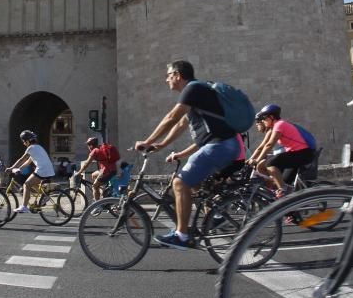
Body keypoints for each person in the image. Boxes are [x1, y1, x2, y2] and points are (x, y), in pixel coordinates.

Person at [134, 60, 240, 250]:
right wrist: (161, 145)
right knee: (195, 184)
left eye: (168, 75)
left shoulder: (192, 89)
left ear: (177, 75)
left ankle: (182, 236)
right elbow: (182, 123)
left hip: (219, 145)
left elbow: (171, 117)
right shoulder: (198, 92)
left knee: (179, 182)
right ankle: (215, 215)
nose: (166, 80)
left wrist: (147, 141)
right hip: (221, 145)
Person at [247, 104, 316, 197]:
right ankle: (288, 201)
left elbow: (269, 144)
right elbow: (263, 146)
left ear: (271, 117)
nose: (263, 121)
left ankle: (283, 191)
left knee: (270, 163)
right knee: (283, 179)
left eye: (264, 118)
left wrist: (257, 160)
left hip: (303, 153)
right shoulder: (278, 125)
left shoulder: (279, 125)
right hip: (297, 154)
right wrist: (255, 160)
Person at [6, 130, 55, 214]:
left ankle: (24, 207)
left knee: (26, 184)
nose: (23, 143)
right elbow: (28, 162)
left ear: (28, 141)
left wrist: (11, 168)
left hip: (42, 170)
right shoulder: (38, 147)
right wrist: (19, 169)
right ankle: (45, 195)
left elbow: (22, 159)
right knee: (33, 184)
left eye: (24, 141)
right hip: (48, 170)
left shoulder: (31, 148)